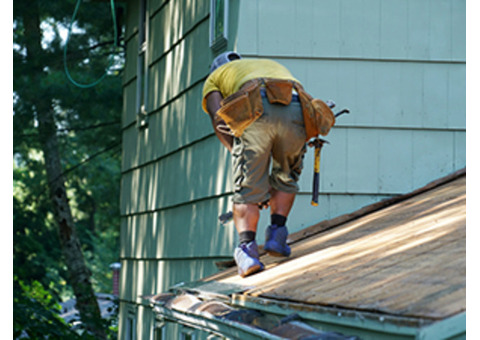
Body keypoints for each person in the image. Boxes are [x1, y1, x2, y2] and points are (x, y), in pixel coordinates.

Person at [202, 51, 333, 277]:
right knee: (287, 173)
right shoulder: (264, 65)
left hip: (257, 108)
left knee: (248, 186)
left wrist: (239, 155)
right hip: (297, 107)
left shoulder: (215, 77)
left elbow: (218, 118)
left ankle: (248, 251)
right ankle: (277, 236)